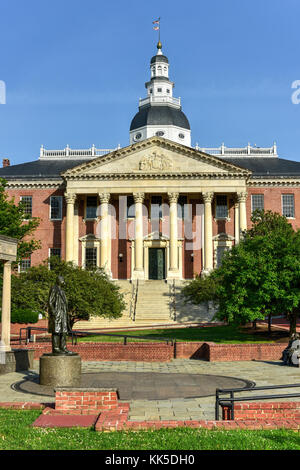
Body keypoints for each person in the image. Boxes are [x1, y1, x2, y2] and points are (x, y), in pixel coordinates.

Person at [48, 275, 74, 355]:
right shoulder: (54, 289)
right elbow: (50, 301)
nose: (63, 281)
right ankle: (56, 348)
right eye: (62, 279)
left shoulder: (62, 291)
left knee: (63, 331)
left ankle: (64, 348)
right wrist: (53, 312)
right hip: (57, 313)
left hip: (63, 313)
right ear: (58, 280)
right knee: (56, 331)